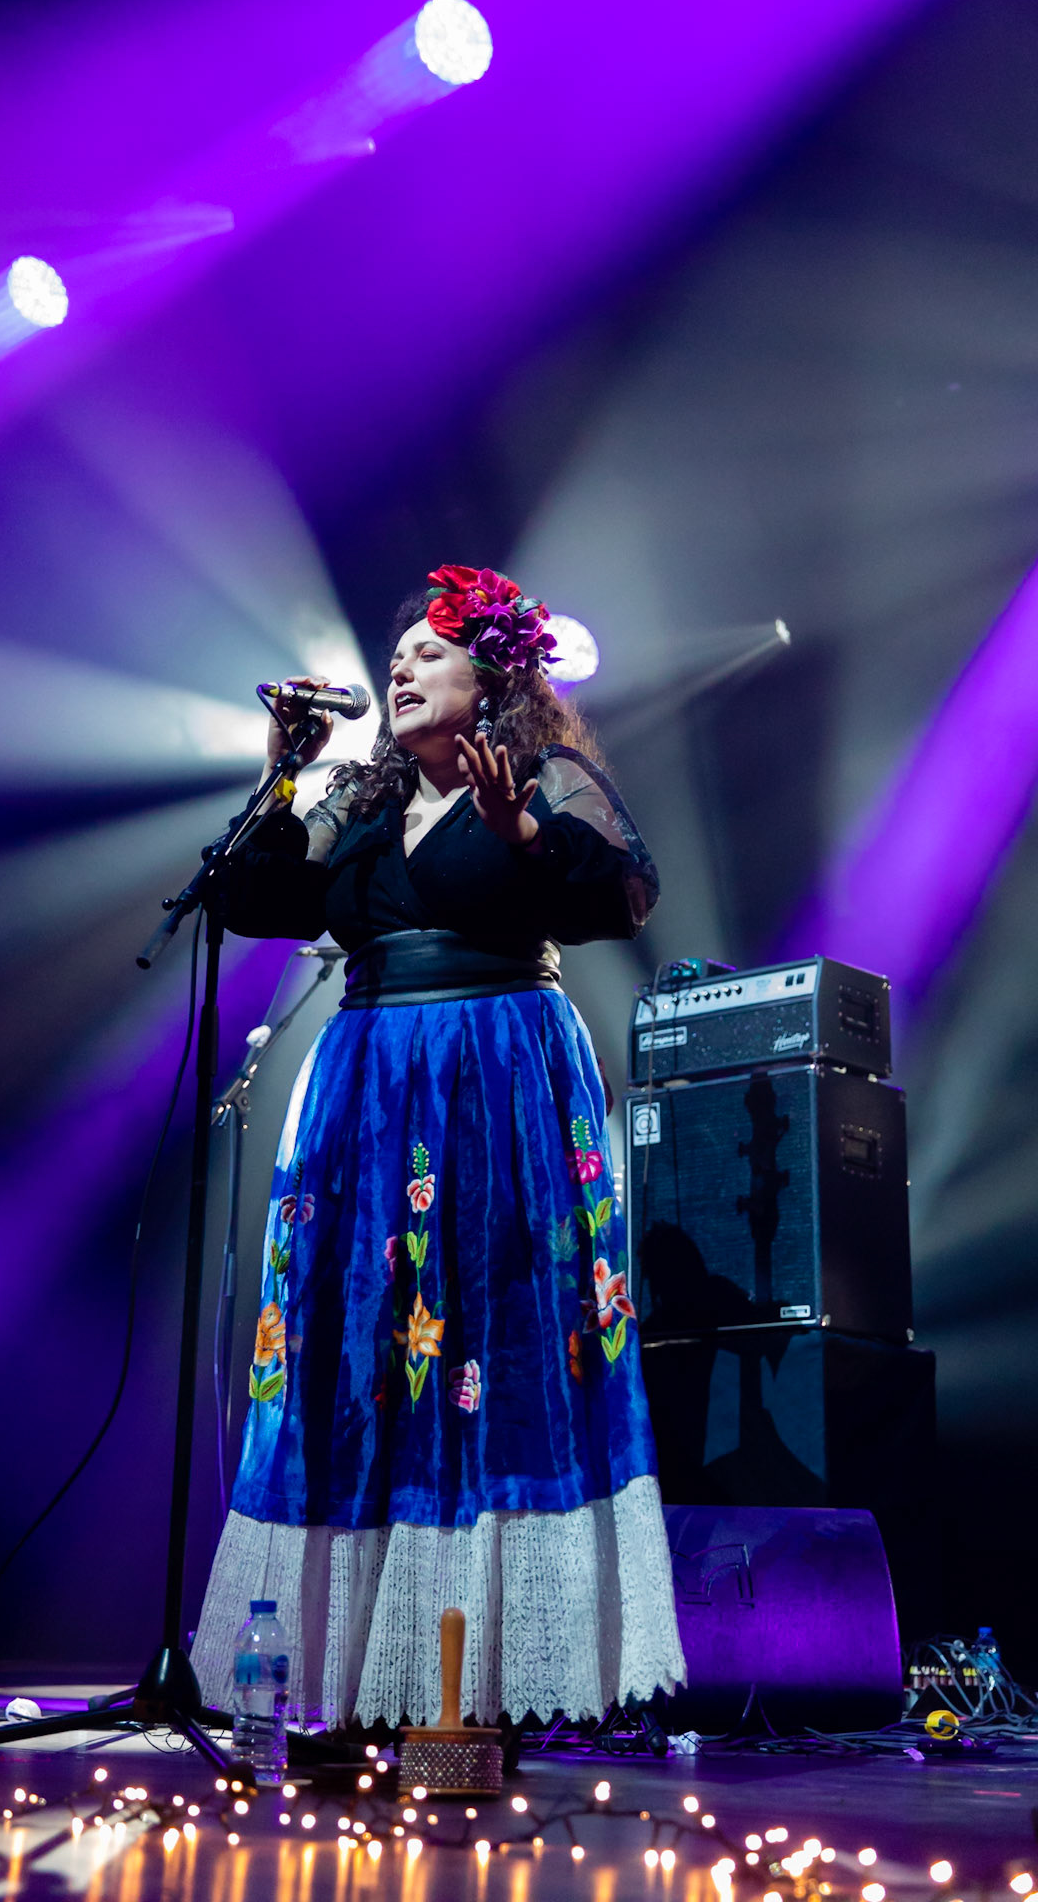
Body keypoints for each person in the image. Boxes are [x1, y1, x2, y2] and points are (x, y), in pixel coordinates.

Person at [190, 564, 685, 1731]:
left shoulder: (546, 776)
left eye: (428, 652)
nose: (401, 667)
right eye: (396, 654)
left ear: (493, 678)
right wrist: (284, 769)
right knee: (356, 1344)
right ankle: (353, 1674)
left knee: (491, 1335)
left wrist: (521, 829)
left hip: (497, 1072)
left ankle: (492, 1679)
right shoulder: (359, 797)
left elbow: (623, 894)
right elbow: (252, 901)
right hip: (368, 1079)